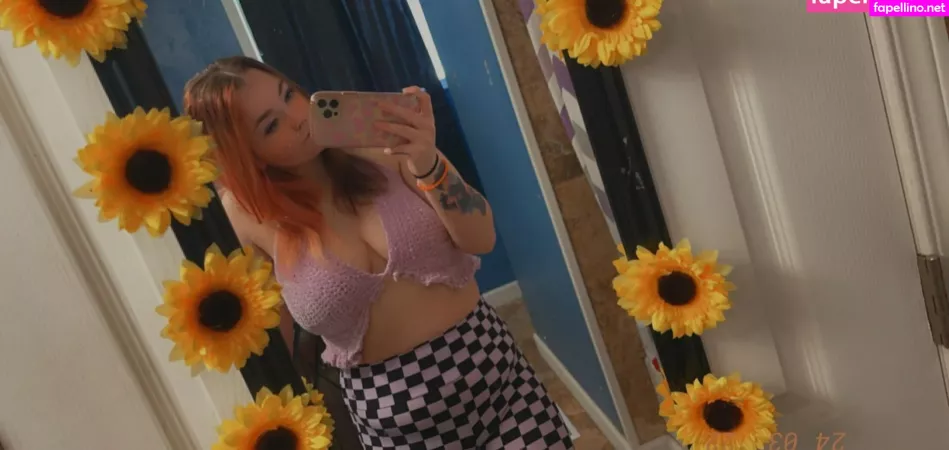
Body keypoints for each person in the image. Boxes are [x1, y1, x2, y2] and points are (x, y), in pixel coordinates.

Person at [183, 56, 574, 450]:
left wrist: (427, 161)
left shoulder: (383, 144)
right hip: (394, 429)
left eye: (289, 96)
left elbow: (481, 238)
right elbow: (274, 349)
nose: (298, 118)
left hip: (501, 388)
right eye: (271, 125)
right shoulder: (247, 218)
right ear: (245, 155)